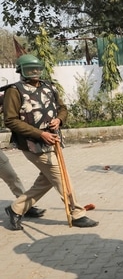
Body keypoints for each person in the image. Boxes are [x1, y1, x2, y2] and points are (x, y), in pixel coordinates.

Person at [3, 54, 99, 231]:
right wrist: (40, 133)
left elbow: (62, 108)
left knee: (47, 180)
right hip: (32, 144)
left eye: (37, 69)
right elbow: (10, 120)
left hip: (54, 140)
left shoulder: (49, 86)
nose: (35, 72)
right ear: (21, 71)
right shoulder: (14, 91)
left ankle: (16, 209)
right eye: (30, 69)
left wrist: (59, 120)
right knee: (62, 177)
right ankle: (76, 213)